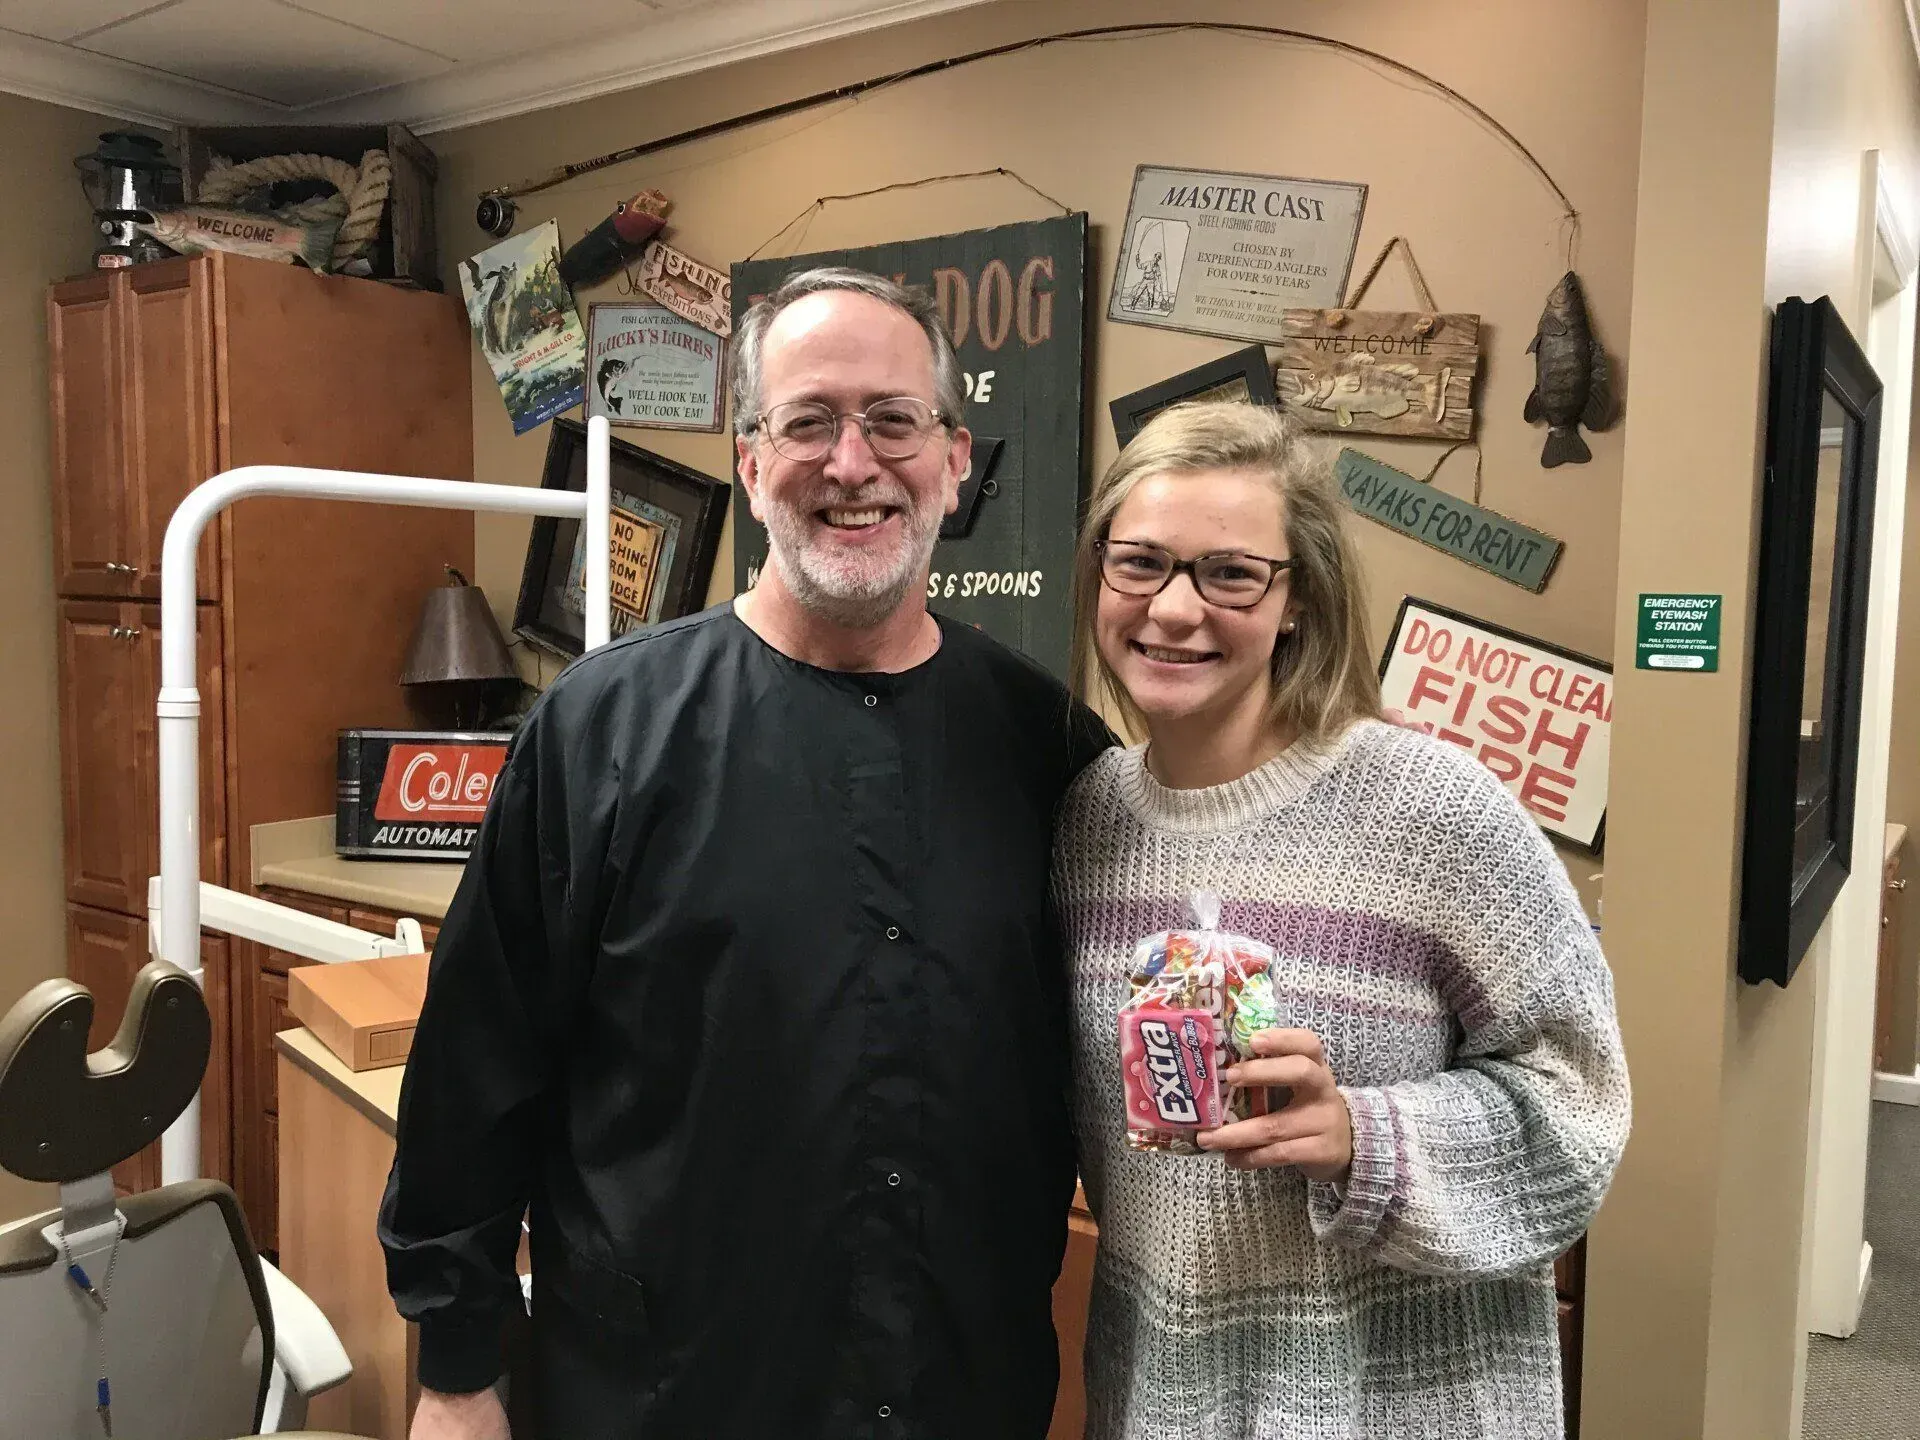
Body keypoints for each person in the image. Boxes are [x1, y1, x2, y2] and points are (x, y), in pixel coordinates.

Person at [380, 267, 1110, 1440]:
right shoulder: (600, 731)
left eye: (893, 421)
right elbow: (474, 1071)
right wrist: (457, 1373)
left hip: (958, 1394)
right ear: (750, 460)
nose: (852, 462)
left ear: (955, 458)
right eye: (808, 420)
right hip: (664, 1393)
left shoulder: (1050, 750)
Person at [1053, 401, 1630, 1439]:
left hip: (1403, 1403)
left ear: (1298, 602)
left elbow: (1582, 1098)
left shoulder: (1434, 811)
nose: (1174, 610)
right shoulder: (1083, 824)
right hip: (1164, 1400)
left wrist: (1364, 1137)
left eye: (1230, 573)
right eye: (1139, 563)